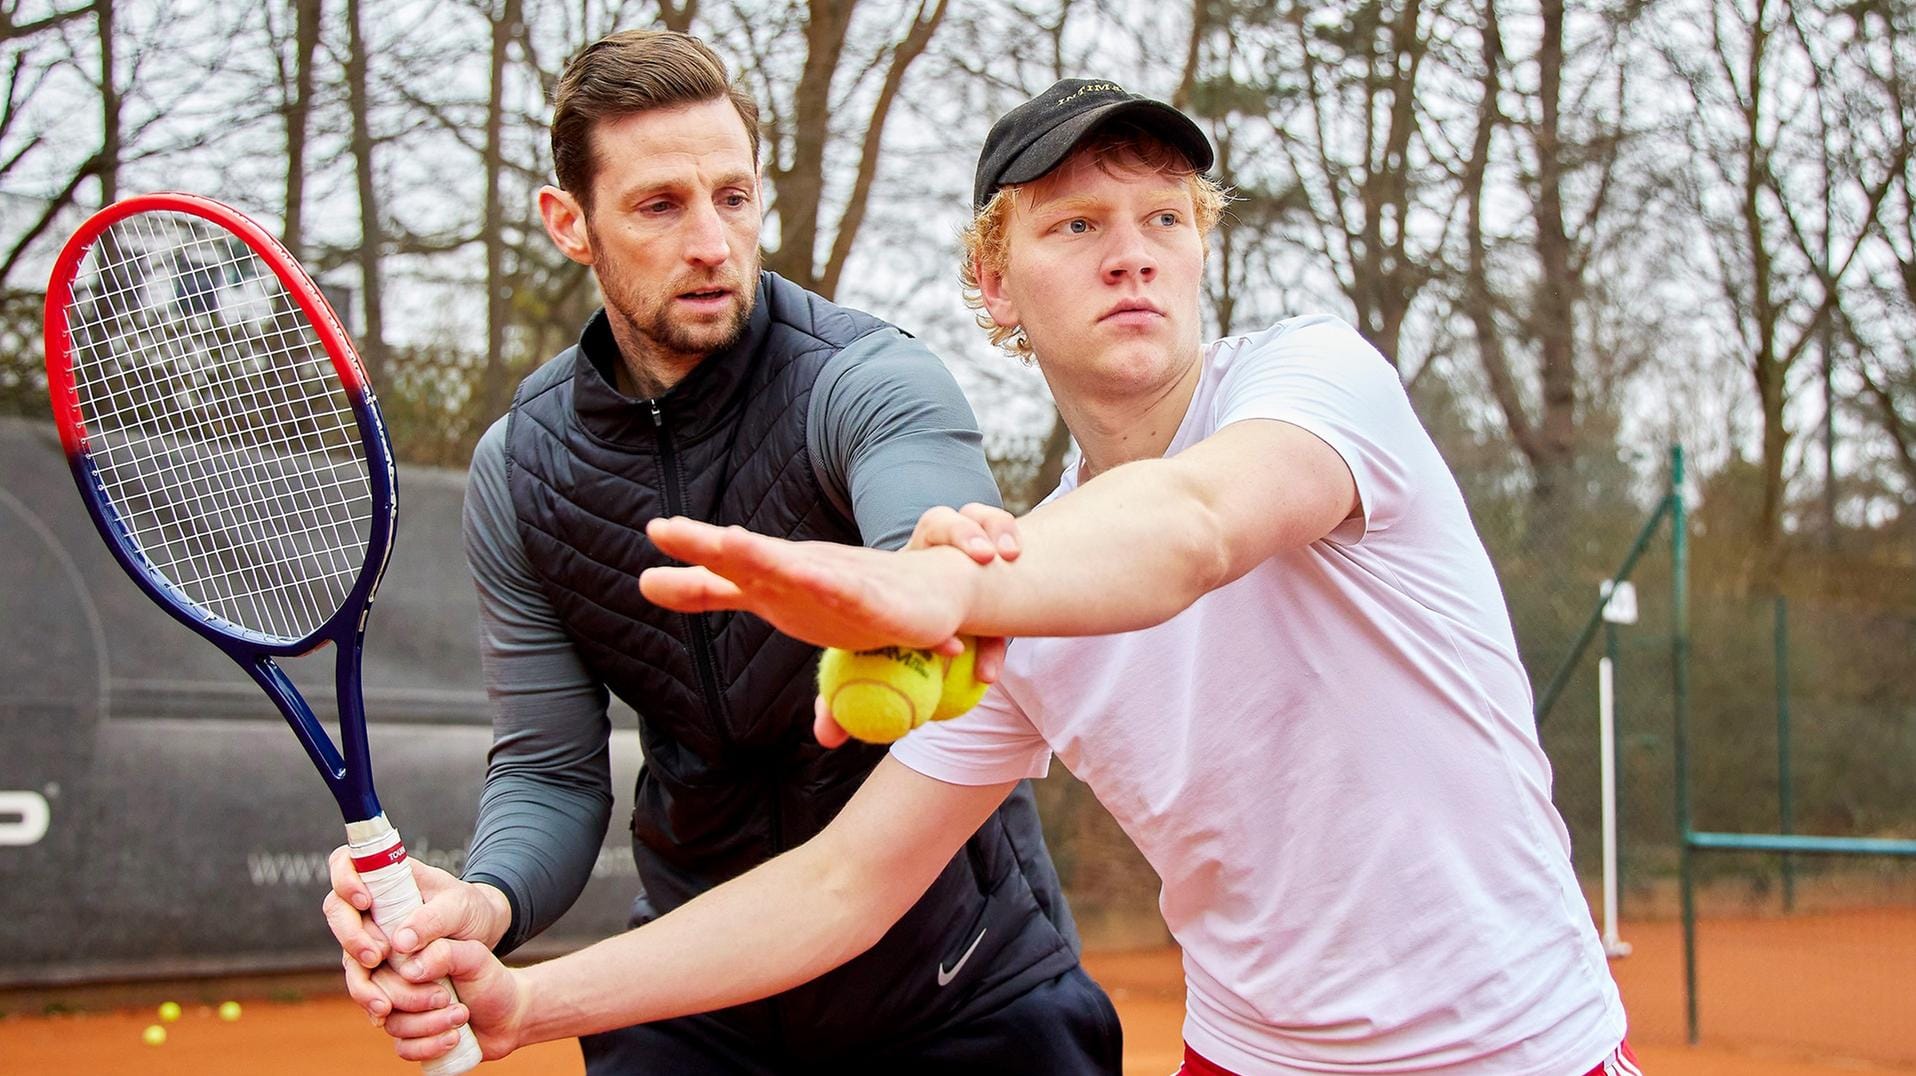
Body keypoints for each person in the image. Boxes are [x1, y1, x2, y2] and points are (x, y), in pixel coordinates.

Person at [347, 78, 1637, 1076]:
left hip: (1519, 1045)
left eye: (1165, 220)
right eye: (1075, 224)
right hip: (1247, 1052)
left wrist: (942, 590)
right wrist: (529, 998)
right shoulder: (1023, 587)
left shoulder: (1313, 386)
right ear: (993, 283)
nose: (1131, 253)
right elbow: (837, 885)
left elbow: (1190, 526)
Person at [319, 34, 1121, 1075]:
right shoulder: (520, 467)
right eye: (660, 205)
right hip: (696, 996)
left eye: (733, 197)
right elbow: (552, 768)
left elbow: (942, 571)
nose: (711, 241)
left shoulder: (869, 380)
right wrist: (487, 898)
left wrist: (923, 580)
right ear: (571, 223)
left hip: (960, 985)